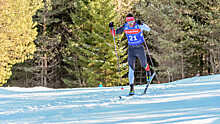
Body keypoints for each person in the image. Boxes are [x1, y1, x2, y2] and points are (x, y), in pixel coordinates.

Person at [109, 13, 151, 95]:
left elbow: (148, 29)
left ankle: (148, 70)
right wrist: (111, 28)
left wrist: (142, 23)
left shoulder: (138, 25)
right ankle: (131, 87)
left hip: (139, 48)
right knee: (131, 68)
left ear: (134, 20)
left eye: (131, 21)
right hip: (131, 49)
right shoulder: (125, 26)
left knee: (143, 64)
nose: (130, 23)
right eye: (128, 21)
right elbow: (115, 33)